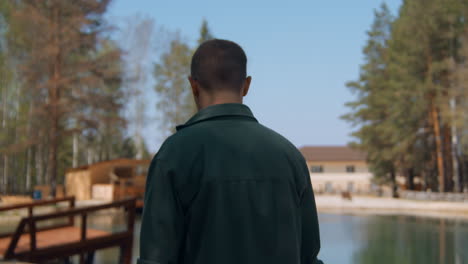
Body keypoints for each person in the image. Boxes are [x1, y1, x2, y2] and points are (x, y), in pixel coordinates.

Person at [138, 39, 323, 264]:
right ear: (246, 85)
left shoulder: (173, 155)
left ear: (193, 86)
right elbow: (309, 257)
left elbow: (156, 257)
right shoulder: (289, 155)